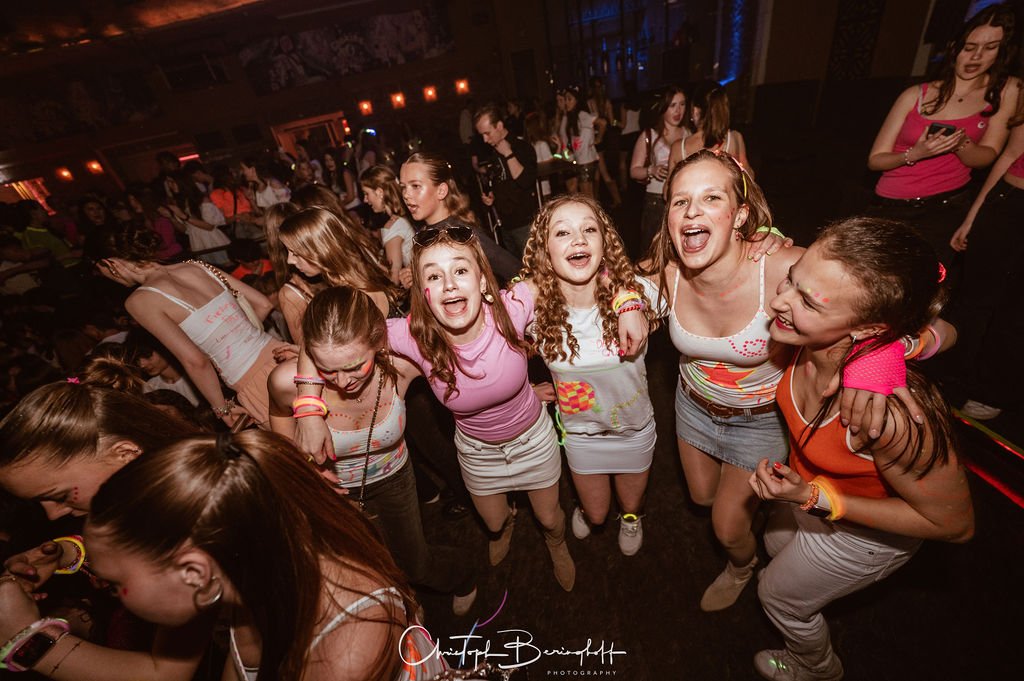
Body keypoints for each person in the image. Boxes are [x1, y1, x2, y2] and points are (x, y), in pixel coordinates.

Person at [750, 216, 973, 681]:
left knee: (777, 597)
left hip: (864, 538)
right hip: (808, 499)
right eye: (791, 280)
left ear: (867, 329)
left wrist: (814, 498)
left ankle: (817, 668)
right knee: (774, 544)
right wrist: (899, 345)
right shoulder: (806, 339)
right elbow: (940, 329)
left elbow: (953, 525)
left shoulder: (890, 417)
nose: (778, 302)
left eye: (808, 301)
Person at [85, 430, 440, 680]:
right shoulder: (252, 583)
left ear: (194, 573)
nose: (107, 590)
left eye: (116, 583)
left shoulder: (344, 655)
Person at [640, 148, 800, 612]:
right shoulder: (668, 274)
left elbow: (870, 300)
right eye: (680, 201)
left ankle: (741, 567)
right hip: (693, 407)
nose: (692, 211)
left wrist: (883, 367)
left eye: (712, 198)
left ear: (740, 215)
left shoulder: (780, 269)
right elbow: (614, 284)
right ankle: (759, 502)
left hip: (761, 420)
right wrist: (628, 303)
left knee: (727, 528)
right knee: (702, 496)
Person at [268, 287, 478, 615]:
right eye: (327, 370)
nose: (342, 381)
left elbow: (464, 346)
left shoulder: (402, 366)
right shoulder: (286, 382)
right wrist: (304, 467)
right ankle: (403, 604)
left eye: (355, 366)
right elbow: (280, 420)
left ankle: (462, 576)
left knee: (415, 563)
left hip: (394, 480)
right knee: (366, 564)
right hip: (332, 491)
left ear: (379, 342)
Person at [0, 382, 210, 681]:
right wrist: (66, 554)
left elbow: (165, 674)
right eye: (38, 503)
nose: (52, 514)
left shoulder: (187, 526)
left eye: (60, 496)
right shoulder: (174, 484)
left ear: (126, 454)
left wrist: (26, 639)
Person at [517, 194, 659, 555]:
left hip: (634, 430)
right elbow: (482, 339)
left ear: (604, 242)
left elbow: (687, 271)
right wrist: (524, 391)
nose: (578, 239)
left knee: (630, 505)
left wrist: (629, 299)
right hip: (581, 435)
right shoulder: (532, 309)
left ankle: (632, 518)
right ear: (545, 250)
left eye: (589, 230)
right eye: (562, 232)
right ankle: (584, 508)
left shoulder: (637, 292)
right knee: (596, 515)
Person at [866, 3, 1018, 262]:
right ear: (954, 48)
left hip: (946, 208)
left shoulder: (1005, 91)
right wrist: (915, 153)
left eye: (990, 48)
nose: (976, 56)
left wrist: (961, 143)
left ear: (1002, 52)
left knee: (929, 280)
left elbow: (988, 156)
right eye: (969, 48)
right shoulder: (915, 94)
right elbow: (875, 160)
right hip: (890, 204)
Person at [94, 221, 284, 427]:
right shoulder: (196, 266)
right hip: (282, 354)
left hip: (253, 380)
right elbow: (263, 304)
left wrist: (222, 409)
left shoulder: (139, 301)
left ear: (110, 264)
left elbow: (195, 360)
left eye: (100, 270)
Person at [947, 88, 1024, 421]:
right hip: (1008, 200)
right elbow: (1011, 153)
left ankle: (992, 389)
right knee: (974, 296)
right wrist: (973, 216)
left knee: (1016, 309)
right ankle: (953, 376)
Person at [398, 151, 521, 283]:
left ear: (441, 191)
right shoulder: (425, 233)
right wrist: (418, 278)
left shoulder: (461, 234)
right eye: (403, 187)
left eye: (415, 186)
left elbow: (517, 271)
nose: (406, 195)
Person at [473, 105, 539, 259]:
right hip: (506, 225)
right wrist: (492, 197)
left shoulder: (521, 148)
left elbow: (525, 181)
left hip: (525, 224)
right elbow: (502, 181)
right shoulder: (494, 152)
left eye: (487, 133)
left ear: (499, 126)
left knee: (534, 267)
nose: (485, 139)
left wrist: (508, 154)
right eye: (482, 135)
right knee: (515, 270)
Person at [630, 86, 689, 256]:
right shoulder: (650, 135)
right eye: (672, 105)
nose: (678, 111)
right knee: (652, 252)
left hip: (683, 200)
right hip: (656, 202)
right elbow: (634, 171)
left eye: (682, 104)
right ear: (663, 108)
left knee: (679, 251)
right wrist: (652, 170)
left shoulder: (688, 134)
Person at [675, 83, 753, 178]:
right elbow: (748, 176)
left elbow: (670, 186)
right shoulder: (735, 138)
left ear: (695, 110)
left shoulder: (679, 148)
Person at [360, 165, 416, 286]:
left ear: (380, 192)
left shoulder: (393, 226)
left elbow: (394, 278)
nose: (365, 199)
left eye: (366, 193)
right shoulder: (405, 215)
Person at [561, 86, 599, 199]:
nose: (566, 102)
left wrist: (598, 139)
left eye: (569, 99)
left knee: (588, 197)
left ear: (577, 100)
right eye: (565, 99)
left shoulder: (582, 114)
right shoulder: (572, 117)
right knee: (585, 196)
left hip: (586, 161)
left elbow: (602, 123)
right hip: (580, 160)